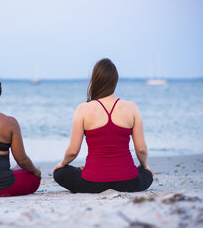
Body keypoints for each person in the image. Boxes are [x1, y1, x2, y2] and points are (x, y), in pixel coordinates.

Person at [53, 58, 153, 193]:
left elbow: (73, 151)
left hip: (92, 183)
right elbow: (141, 149)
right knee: (146, 173)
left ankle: (81, 170)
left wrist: (62, 164)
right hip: (129, 182)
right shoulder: (132, 107)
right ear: (115, 81)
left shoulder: (83, 109)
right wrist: (144, 166)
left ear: (95, 80)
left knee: (60, 173)